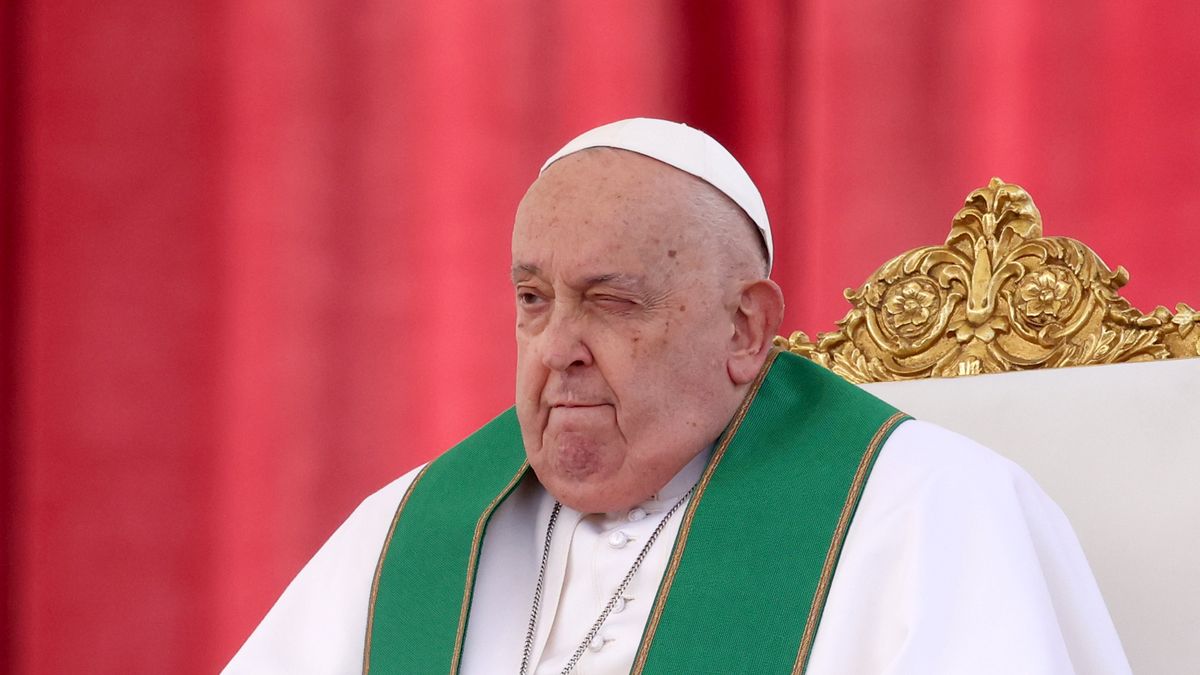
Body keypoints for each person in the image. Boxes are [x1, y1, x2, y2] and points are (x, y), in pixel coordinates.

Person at [224, 119, 1131, 674]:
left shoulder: (934, 512)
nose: (558, 350)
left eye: (611, 302)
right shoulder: (413, 529)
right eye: (533, 302)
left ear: (745, 330)